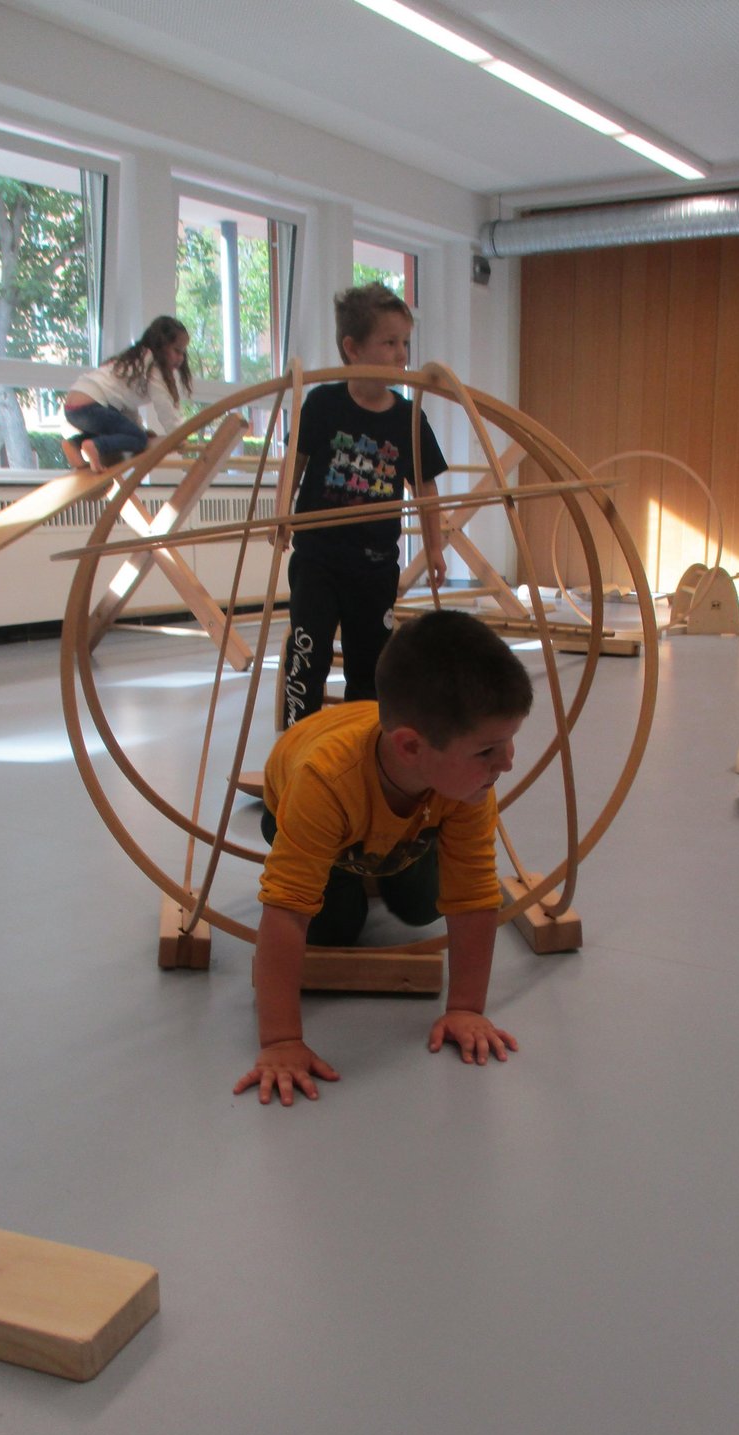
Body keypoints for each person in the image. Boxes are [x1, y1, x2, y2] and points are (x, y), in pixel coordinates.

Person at [234, 609, 534, 1107]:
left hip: (405, 809)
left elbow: (475, 894)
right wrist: (281, 1041)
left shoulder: (469, 786)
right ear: (412, 747)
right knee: (335, 925)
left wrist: (465, 1007)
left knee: (421, 907)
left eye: (508, 743)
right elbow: (286, 911)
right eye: (488, 750)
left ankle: (374, 861)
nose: (506, 763)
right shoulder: (323, 783)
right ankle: (350, 871)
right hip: (300, 803)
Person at [276, 283, 449, 728]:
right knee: (307, 654)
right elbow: (293, 464)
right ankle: (297, 747)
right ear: (352, 348)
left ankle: (358, 749)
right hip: (317, 560)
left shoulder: (409, 417)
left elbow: (426, 490)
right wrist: (282, 515)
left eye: (405, 343)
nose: (401, 355)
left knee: (370, 664)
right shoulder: (322, 404)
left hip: (375, 566)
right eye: (389, 343)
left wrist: (434, 548)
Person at [62, 316, 192, 470]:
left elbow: (127, 406)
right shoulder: (154, 367)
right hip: (91, 406)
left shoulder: (135, 360)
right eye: (177, 351)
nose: (181, 358)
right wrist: (178, 435)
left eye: (183, 353)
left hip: (74, 408)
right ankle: (94, 446)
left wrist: (140, 428)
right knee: (138, 439)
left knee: (126, 433)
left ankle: (75, 444)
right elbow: (164, 406)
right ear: (160, 346)